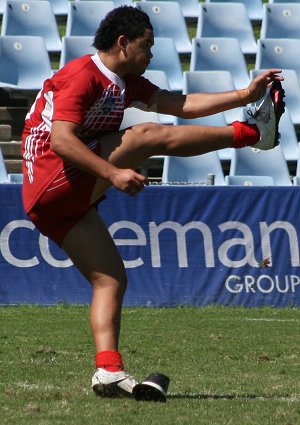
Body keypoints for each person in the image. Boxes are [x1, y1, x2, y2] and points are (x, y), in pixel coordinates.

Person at [21, 6, 285, 398]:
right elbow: (60, 140)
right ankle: (249, 134)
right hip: (52, 177)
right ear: (123, 43)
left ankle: (108, 371)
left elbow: (180, 105)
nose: (152, 54)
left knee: (110, 279)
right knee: (145, 135)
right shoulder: (82, 76)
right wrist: (112, 173)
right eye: (147, 46)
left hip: (50, 202)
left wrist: (245, 93)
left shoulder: (125, 81)